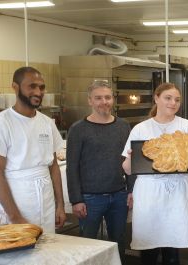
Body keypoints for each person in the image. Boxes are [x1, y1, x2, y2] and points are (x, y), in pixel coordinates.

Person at [122, 83, 188, 265]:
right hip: (150, 192)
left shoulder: (187, 127)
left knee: (172, 247)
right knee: (149, 247)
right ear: (156, 98)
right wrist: (132, 159)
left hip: (177, 192)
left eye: (177, 100)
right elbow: (126, 168)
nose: (173, 103)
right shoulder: (141, 129)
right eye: (168, 98)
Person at [0, 66, 66, 233]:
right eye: (32, 86)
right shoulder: (1, 123)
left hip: (46, 199)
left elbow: (53, 167)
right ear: (15, 87)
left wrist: (60, 205)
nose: (38, 91)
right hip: (17, 201)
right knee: (18, 255)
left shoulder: (47, 123)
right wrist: (15, 217)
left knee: (46, 250)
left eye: (42, 87)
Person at [66, 80, 130, 261]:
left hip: (119, 196)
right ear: (90, 101)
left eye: (108, 97)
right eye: (99, 98)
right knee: (88, 245)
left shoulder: (123, 126)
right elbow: (72, 167)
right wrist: (76, 199)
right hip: (90, 198)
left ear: (113, 99)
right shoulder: (78, 129)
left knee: (118, 242)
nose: (104, 102)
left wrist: (131, 190)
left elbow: (129, 161)